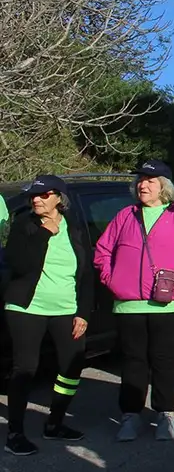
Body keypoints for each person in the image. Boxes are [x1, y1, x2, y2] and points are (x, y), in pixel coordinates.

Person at [94, 160, 174, 442]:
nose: (143, 185)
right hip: (129, 304)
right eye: (141, 180)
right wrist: (113, 280)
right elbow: (102, 251)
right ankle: (130, 415)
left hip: (170, 304)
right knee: (133, 361)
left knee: (165, 360)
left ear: (165, 187)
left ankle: (165, 414)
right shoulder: (125, 215)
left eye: (151, 180)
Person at [4, 175, 94, 456]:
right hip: (27, 308)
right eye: (34, 195)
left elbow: (86, 274)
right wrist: (45, 233)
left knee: (71, 367)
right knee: (25, 368)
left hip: (66, 308)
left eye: (44, 195)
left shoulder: (74, 228)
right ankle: (15, 433)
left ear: (59, 198)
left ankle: (55, 423)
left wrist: (83, 312)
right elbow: (18, 264)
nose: (37, 199)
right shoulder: (24, 225)